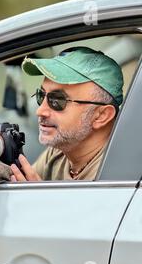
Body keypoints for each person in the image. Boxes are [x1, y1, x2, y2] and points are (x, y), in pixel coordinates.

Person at [9, 46, 124, 181]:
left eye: (57, 100)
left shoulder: (119, 174)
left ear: (101, 116)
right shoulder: (61, 151)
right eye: (41, 95)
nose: (40, 111)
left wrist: (39, 200)